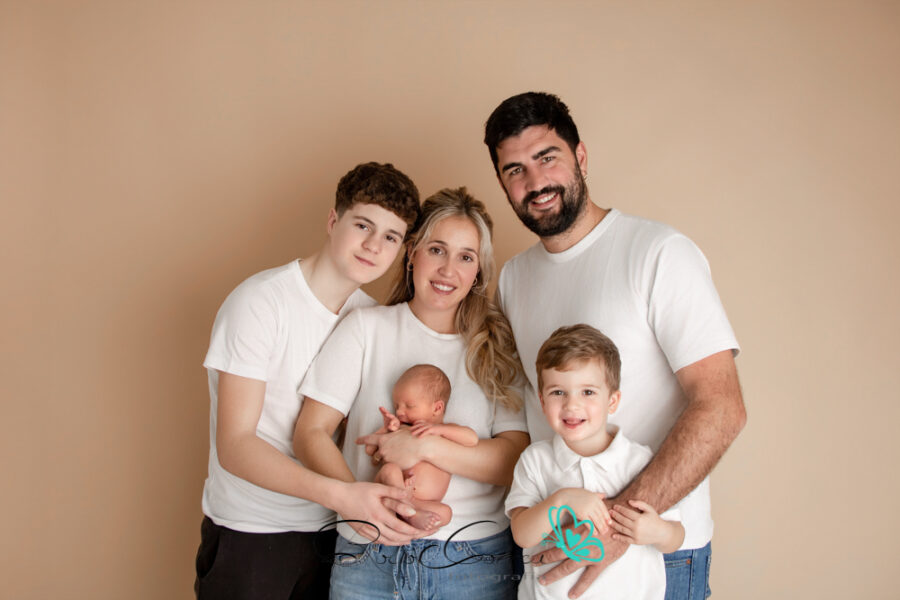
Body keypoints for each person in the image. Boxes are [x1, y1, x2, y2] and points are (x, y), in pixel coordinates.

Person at [484, 92, 746, 600]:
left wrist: (614, 528)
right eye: (515, 170)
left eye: (547, 158)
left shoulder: (659, 253)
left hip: (656, 552)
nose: (535, 182)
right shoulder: (513, 279)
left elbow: (722, 406)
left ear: (580, 156)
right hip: (552, 552)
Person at [195, 162, 423, 600]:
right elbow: (236, 445)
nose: (374, 246)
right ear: (333, 220)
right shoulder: (260, 303)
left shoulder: (370, 319)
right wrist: (343, 496)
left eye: (391, 237)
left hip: (330, 537)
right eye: (363, 225)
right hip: (250, 534)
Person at [294, 187, 529, 600]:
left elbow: (513, 460)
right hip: (367, 551)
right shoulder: (366, 328)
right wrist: (356, 503)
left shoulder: (496, 347)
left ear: (478, 272)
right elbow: (310, 432)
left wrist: (420, 447)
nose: (448, 270)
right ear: (411, 253)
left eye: (466, 257)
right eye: (437, 250)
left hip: (471, 560)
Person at [507, 324, 685, 600]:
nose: (571, 405)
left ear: (612, 401)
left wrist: (658, 532)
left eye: (587, 392)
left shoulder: (640, 461)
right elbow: (522, 534)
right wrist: (561, 500)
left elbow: (676, 535)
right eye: (558, 392)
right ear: (542, 401)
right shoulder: (536, 460)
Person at [369, 363, 479, 530]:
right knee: (389, 470)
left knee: (446, 513)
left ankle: (410, 512)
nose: (399, 412)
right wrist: (385, 429)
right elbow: (370, 450)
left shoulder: (446, 431)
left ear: (437, 408)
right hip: (395, 493)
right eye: (397, 405)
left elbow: (472, 439)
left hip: (422, 505)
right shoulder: (402, 430)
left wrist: (438, 430)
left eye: (409, 406)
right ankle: (405, 508)